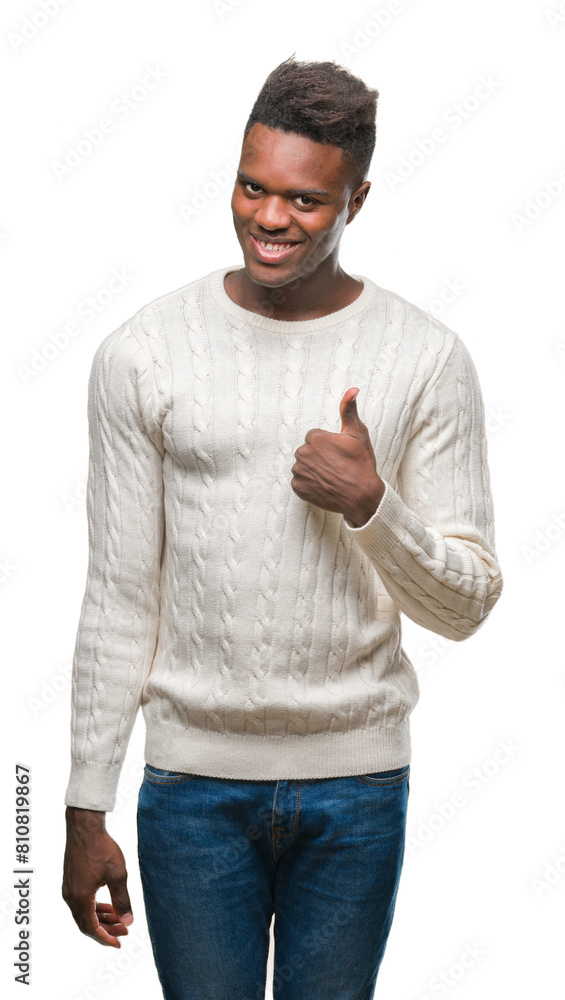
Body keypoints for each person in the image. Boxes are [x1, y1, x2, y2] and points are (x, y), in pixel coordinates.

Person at [62, 54, 504, 999]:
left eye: (305, 201)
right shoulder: (142, 352)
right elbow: (118, 593)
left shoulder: (424, 357)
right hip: (189, 794)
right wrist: (83, 805)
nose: (268, 217)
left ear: (358, 199)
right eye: (251, 186)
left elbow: (467, 604)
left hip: (358, 791)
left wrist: (371, 508)